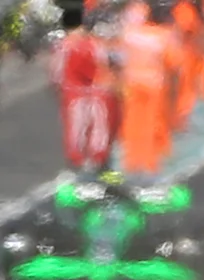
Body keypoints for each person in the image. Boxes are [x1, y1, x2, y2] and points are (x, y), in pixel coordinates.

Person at [116, 0, 181, 174]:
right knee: (151, 122)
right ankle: (149, 162)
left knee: (132, 122)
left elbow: (119, 56)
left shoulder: (130, 34)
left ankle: (131, 161)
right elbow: (173, 63)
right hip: (153, 84)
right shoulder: (162, 36)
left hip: (131, 82)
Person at [55, 12, 117, 171]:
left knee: (78, 126)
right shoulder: (96, 45)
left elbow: (57, 71)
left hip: (75, 92)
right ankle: (96, 157)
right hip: (94, 91)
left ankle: (78, 157)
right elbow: (104, 66)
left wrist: (60, 87)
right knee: (98, 126)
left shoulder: (66, 44)